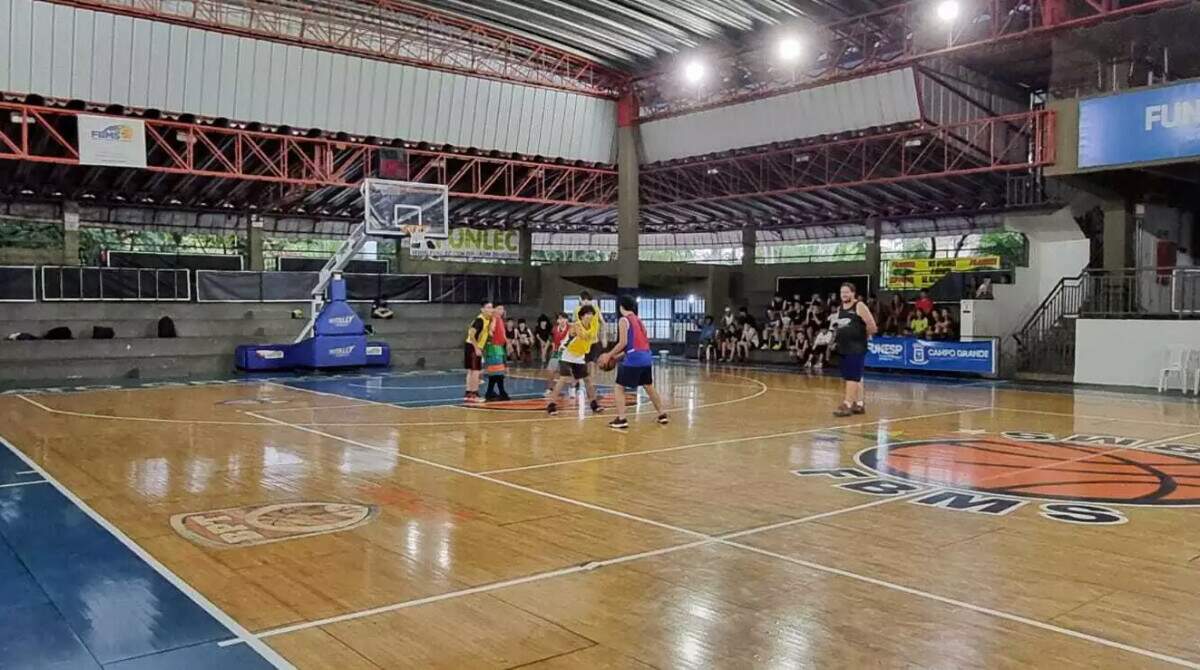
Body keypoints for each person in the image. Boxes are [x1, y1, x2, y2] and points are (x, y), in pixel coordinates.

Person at [600, 296, 669, 430]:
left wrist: (608, 355)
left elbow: (623, 343)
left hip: (635, 359)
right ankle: (662, 414)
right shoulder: (639, 320)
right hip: (646, 357)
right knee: (648, 386)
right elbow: (636, 345)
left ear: (621, 307)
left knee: (619, 387)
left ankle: (622, 419)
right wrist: (616, 357)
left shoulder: (623, 320)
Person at [547, 304, 602, 416]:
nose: (590, 316)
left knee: (587, 380)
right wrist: (594, 330)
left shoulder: (592, 326)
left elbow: (592, 337)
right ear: (581, 316)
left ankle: (594, 404)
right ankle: (551, 405)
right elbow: (585, 336)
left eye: (591, 314)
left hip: (579, 356)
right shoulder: (576, 326)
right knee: (563, 379)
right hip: (566, 354)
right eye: (587, 314)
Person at [832, 282, 878, 417]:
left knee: (852, 377)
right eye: (842, 292)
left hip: (856, 347)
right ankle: (859, 404)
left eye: (847, 292)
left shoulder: (859, 306)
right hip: (844, 347)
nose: (844, 295)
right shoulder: (840, 308)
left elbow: (872, 326)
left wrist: (863, 337)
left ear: (853, 293)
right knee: (855, 376)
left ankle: (847, 404)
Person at [463, 301, 493, 403]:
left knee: (471, 371)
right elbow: (472, 334)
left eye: (491, 307)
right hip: (473, 346)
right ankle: (474, 394)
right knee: (476, 371)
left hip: (470, 346)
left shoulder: (487, 319)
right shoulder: (480, 320)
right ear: (482, 309)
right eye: (488, 307)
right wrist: (476, 348)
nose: (491, 310)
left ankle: (468, 394)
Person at [575, 291, 607, 378]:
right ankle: (582, 385)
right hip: (581, 342)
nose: (586, 302)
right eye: (584, 300)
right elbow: (576, 325)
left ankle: (591, 384)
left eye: (588, 300)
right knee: (581, 364)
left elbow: (603, 323)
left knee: (592, 363)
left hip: (593, 341)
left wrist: (604, 337)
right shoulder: (577, 310)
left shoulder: (596, 309)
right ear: (580, 300)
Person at [484, 304, 510, 401]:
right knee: (497, 372)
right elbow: (491, 331)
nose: (501, 310)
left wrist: (507, 342)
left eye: (502, 308)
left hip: (497, 346)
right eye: (499, 308)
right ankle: (501, 392)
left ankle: (490, 392)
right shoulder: (494, 318)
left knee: (496, 372)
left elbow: (502, 334)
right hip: (494, 346)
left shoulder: (499, 319)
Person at [544, 312, 570, 394]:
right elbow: (550, 340)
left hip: (568, 353)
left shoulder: (571, 329)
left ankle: (573, 388)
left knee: (570, 372)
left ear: (567, 320)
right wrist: (545, 350)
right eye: (560, 319)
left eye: (563, 318)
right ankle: (550, 388)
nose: (562, 320)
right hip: (557, 352)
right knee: (550, 370)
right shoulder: (554, 329)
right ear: (558, 320)